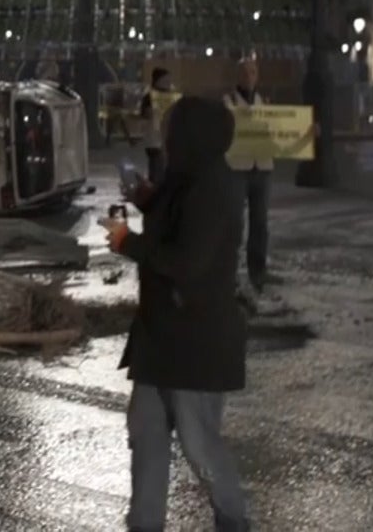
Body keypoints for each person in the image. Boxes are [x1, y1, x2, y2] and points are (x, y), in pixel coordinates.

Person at [102, 95, 250, 532]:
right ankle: (144, 524)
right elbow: (175, 219)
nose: (165, 140)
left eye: (172, 131)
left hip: (195, 341)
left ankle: (234, 519)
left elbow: (188, 261)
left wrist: (127, 242)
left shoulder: (214, 187)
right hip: (160, 335)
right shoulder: (187, 176)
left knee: (198, 444)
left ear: (191, 136)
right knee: (146, 434)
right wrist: (147, 197)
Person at [224, 56, 272, 292]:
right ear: (237, 76)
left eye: (253, 72)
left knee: (260, 222)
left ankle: (258, 271)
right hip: (237, 168)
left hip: (261, 167)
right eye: (244, 72)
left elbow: (280, 130)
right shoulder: (228, 101)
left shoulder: (265, 102)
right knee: (234, 222)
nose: (249, 77)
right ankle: (228, 270)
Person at [136, 67, 176, 183]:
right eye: (165, 80)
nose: (168, 82)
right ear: (158, 81)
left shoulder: (173, 95)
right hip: (154, 139)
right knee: (157, 169)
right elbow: (144, 114)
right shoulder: (149, 96)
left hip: (169, 138)